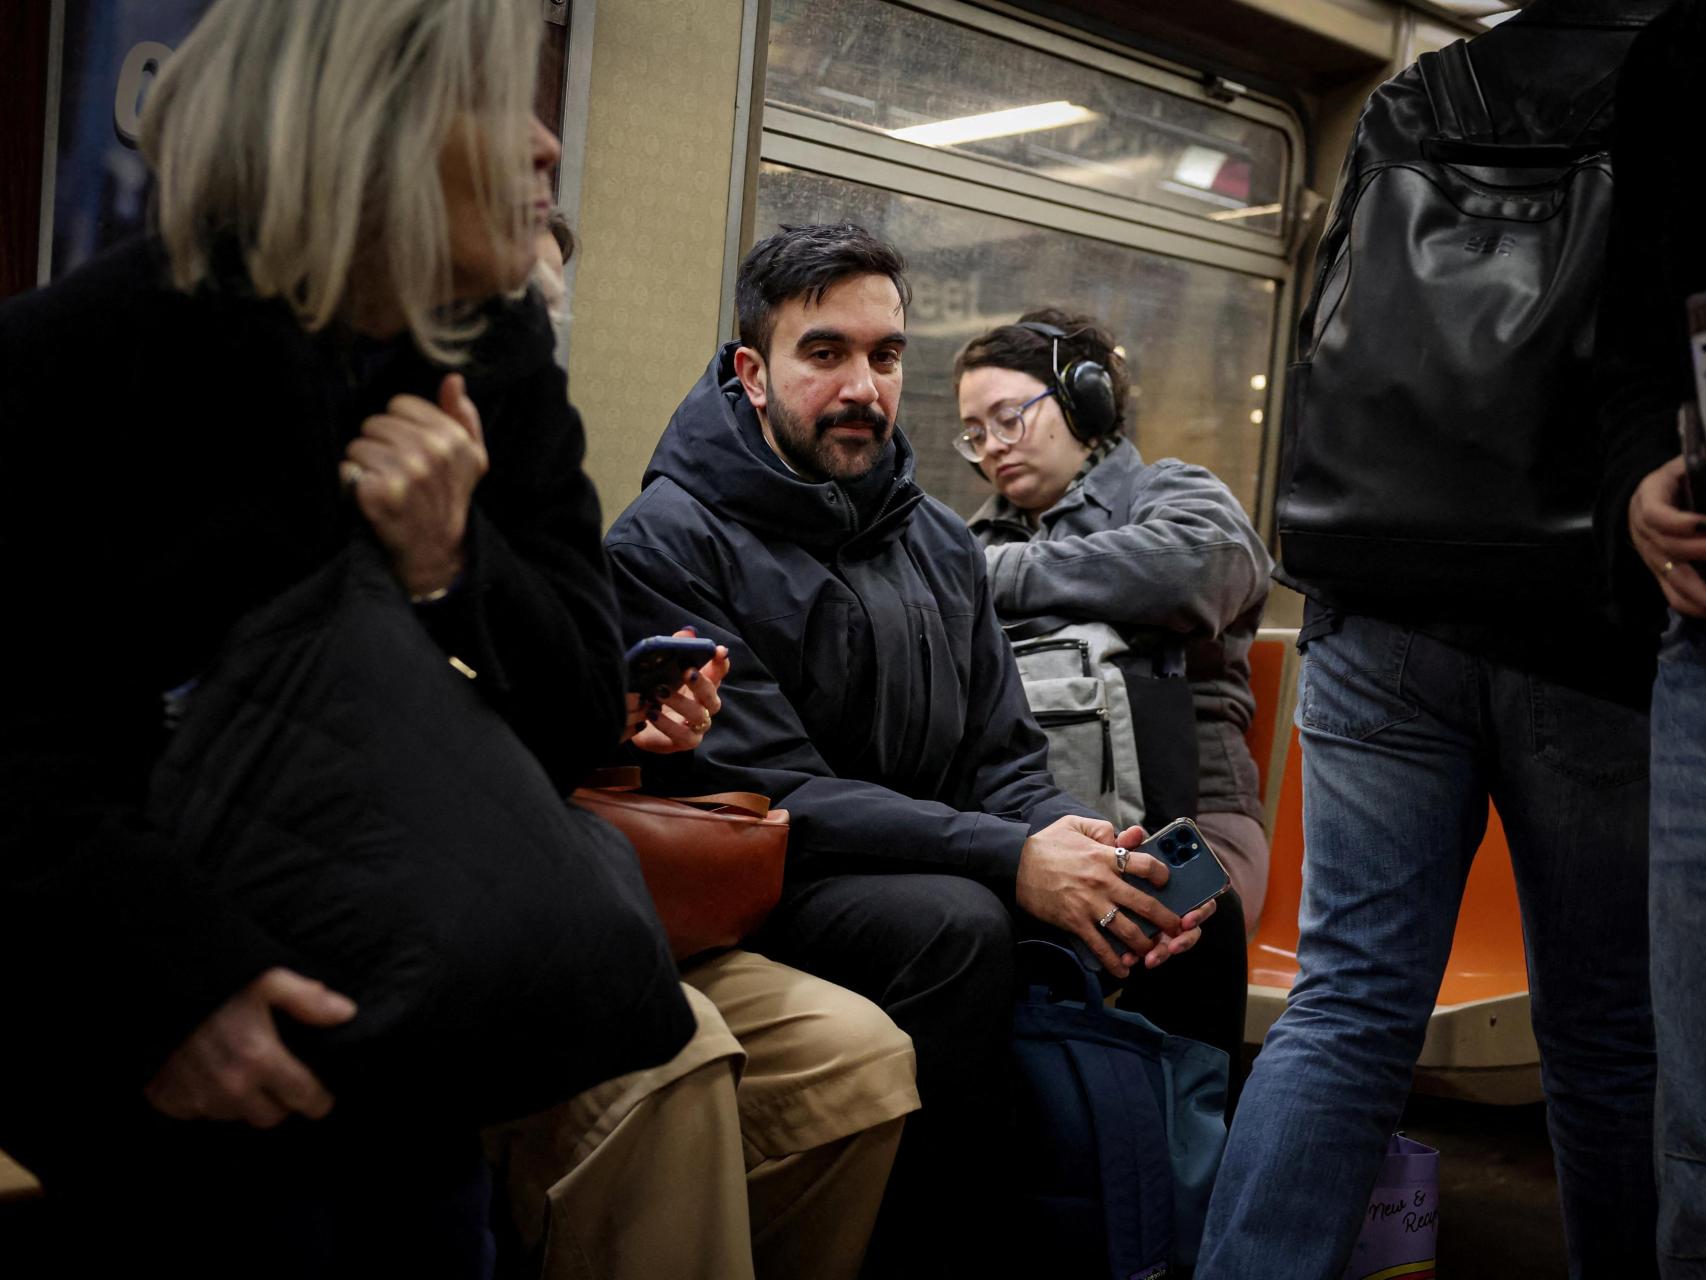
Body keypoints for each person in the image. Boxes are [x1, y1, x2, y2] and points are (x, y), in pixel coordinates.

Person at [0, 4, 913, 1277]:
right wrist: (175, 983)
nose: (544, 144)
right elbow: (23, 749)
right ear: (362, 126)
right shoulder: (82, 357)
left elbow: (576, 701)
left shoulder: (489, 353)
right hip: (162, 992)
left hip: (415, 967)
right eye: (491, 104)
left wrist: (448, 562)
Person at [604, 222, 1214, 1268]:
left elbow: (1002, 756)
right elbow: (774, 788)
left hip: (937, 853)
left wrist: (1072, 842)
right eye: (824, 352)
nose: (862, 387)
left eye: (884, 355)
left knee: (1174, 904)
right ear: (752, 372)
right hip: (773, 871)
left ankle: (1161, 1236)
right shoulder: (669, 540)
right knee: (953, 926)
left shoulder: (932, 537)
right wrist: (1008, 857)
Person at [1197, 4, 1666, 1276]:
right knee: (1605, 1033)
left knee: (1345, 1007)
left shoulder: (1414, 93)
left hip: (1374, 590)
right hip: (1582, 614)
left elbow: (1334, 329)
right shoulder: (1668, 81)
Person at [955, 308, 1272, 1065]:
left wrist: (992, 579)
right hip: (1030, 819)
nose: (991, 445)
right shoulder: (970, 541)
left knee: (1173, 909)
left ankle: (1174, 1125)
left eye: (1008, 418)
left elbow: (1197, 568)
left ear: (1084, 402)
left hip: (1191, 813)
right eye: (974, 433)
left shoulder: (1171, 495)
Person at [1595, 2, 1706, 1271]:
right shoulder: (1677, 56)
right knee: (1696, 1122)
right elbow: (1630, 340)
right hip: (1702, 639)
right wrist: (1637, 477)